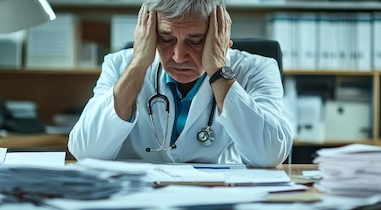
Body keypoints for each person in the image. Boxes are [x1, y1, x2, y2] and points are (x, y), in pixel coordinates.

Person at [68, 0, 292, 168]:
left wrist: (217, 68)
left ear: (220, 35)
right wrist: (138, 64)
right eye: (166, 39)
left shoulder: (257, 69)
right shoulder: (119, 65)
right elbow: (85, 151)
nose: (178, 56)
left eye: (195, 41)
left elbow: (269, 155)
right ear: (150, 34)